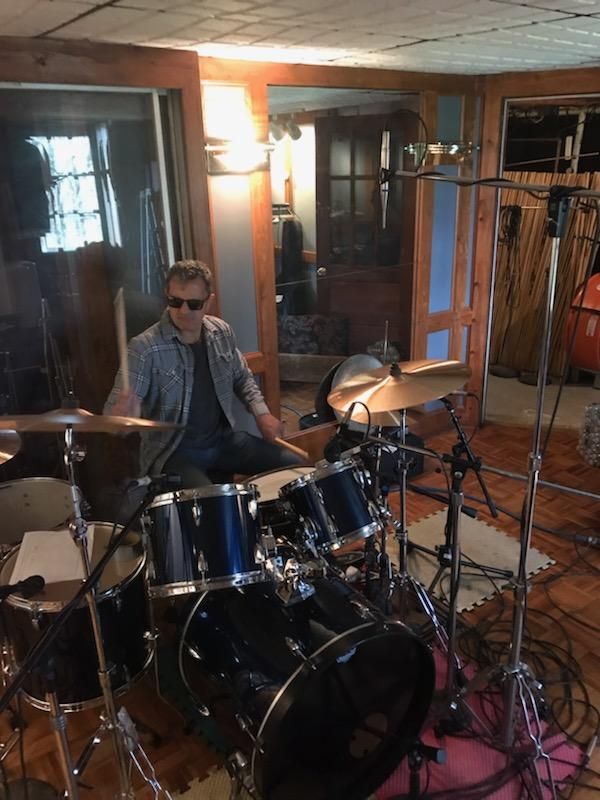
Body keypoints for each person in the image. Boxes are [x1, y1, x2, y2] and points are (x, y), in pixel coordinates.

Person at [104, 260, 304, 487]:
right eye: (175, 302)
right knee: (212, 502)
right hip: (175, 453)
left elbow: (242, 378)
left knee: (295, 469)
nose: (183, 311)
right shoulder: (144, 348)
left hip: (223, 441)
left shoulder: (221, 332)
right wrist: (122, 418)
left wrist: (262, 415)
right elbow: (112, 420)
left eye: (194, 304)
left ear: (209, 302)